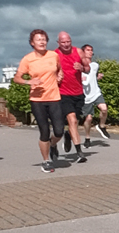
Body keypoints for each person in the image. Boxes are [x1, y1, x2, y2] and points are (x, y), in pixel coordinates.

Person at [13, 29, 65, 173]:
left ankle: (53, 145)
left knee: (59, 131)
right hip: (37, 100)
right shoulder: (27, 59)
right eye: (38, 39)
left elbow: (59, 70)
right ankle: (46, 160)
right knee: (44, 131)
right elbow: (16, 78)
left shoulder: (54, 55)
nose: (42, 42)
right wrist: (28, 82)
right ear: (32, 43)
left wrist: (60, 76)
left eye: (44, 39)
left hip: (54, 97)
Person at [54, 31, 88, 163]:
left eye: (68, 41)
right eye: (63, 42)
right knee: (72, 120)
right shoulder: (54, 55)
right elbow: (48, 72)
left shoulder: (78, 52)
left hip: (78, 93)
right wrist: (56, 77)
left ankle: (68, 135)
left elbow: (88, 68)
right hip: (63, 93)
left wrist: (81, 68)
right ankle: (79, 152)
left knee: (76, 121)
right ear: (58, 43)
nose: (66, 44)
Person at [79, 43, 110, 149]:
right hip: (85, 97)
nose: (91, 52)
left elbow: (92, 78)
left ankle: (101, 126)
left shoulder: (95, 65)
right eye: (88, 50)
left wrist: (97, 78)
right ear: (83, 52)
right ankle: (87, 138)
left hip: (96, 93)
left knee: (104, 109)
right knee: (88, 118)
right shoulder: (78, 67)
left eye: (91, 50)